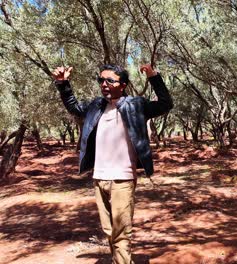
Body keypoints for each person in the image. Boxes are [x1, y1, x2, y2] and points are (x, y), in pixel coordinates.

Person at [52, 63, 173, 264]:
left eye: (110, 80)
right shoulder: (96, 107)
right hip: (99, 177)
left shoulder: (136, 105)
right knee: (109, 230)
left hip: (122, 178)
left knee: (121, 231)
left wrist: (154, 77)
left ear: (123, 85)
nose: (104, 84)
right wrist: (62, 83)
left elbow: (165, 103)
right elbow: (73, 107)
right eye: (101, 80)